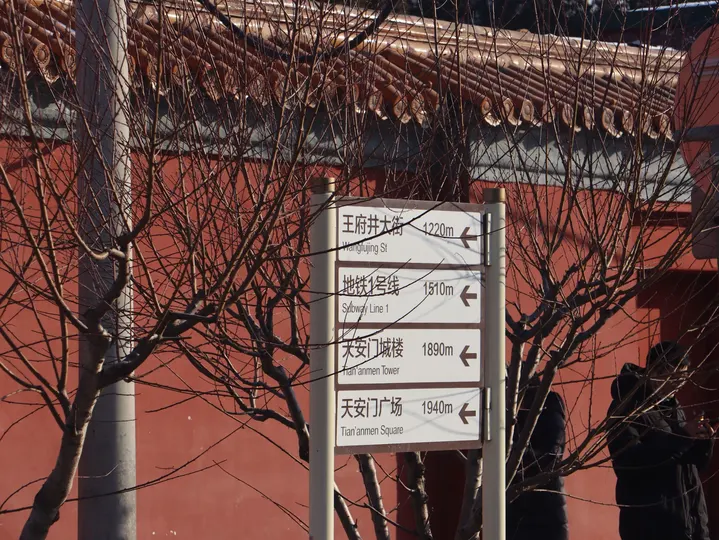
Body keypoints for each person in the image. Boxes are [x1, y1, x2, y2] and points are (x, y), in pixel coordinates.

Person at [608, 341, 714, 540]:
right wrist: (684, 436)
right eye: (674, 377)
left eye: (683, 378)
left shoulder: (673, 407)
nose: (679, 384)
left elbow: (689, 466)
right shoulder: (627, 407)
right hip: (651, 526)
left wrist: (702, 442)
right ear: (654, 371)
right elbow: (628, 463)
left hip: (690, 525)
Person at [507, 378, 569, 540]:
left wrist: (511, 452)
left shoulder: (550, 410)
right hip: (515, 510)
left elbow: (551, 457)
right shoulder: (508, 414)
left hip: (546, 511)